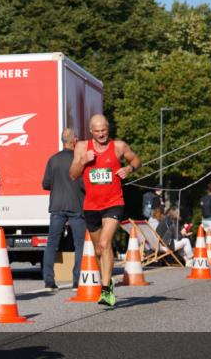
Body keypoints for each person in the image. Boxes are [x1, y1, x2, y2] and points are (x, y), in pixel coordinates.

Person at [69, 114, 141, 307]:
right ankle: (107, 281)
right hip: (91, 205)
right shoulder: (82, 147)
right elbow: (73, 175)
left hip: (113, 202)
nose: (101, 134)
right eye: (97, 131)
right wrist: (83, 160)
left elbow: (136, 160)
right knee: (99, 251)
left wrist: (129, 170)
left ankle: (106, 290)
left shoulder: (119, 146)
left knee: (104, 242)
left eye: (104, 130)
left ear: (108, 130)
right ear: (91, 131)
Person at [41, 128, 86, 292]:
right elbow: (84, 184)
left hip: (57, 206)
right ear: (73, 141)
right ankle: (78, 281)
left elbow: (45, 184)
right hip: (76, 206)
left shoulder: (53, 160)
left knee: (52, 243)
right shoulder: (79, 160)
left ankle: (49, 281)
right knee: (79, 244)